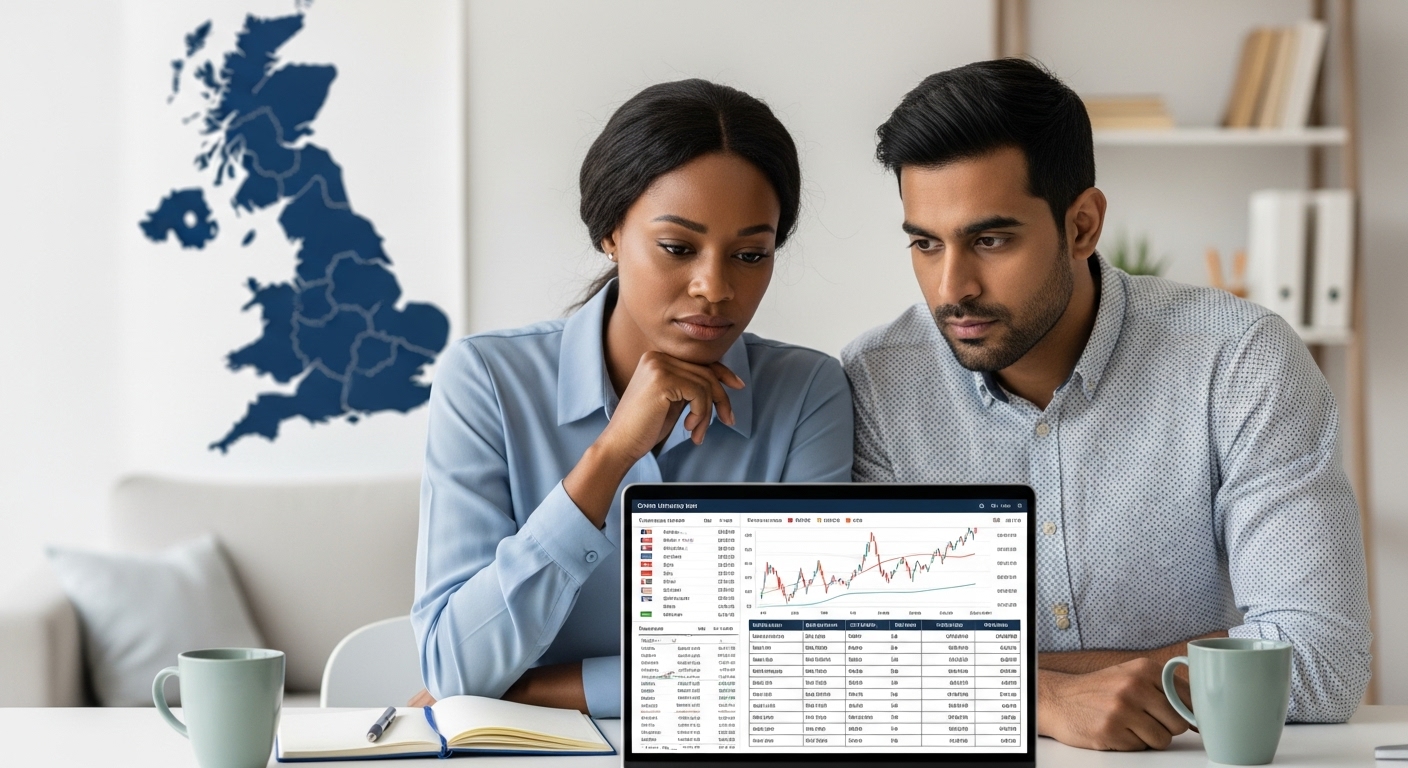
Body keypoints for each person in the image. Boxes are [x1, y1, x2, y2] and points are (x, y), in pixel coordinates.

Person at [842, 58, 1370, 750]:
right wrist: (1044, 698)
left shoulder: (1238, 360)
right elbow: (859, 659)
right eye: (925, 244)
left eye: (990, 240)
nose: (952, 288)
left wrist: (988, 673)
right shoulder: (879, 383)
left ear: (1083, 226)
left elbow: (1323, 658)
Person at [410, 79, 854, 718]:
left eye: (750, 254)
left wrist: (538, 691)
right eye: (678, 248)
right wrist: (611, 453)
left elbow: (804, 661)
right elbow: (454, 665)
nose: (714, 287)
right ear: (611, 233)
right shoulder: (486, 381)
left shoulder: (808, 393)